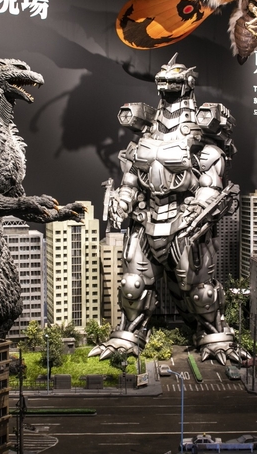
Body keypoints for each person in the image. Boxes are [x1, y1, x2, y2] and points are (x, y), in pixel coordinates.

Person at [90, 55, 247, 365]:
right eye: (163, 81)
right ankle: (128, 337)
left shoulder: (203, 141)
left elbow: (211, 182)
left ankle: (215, 337)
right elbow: (131, 179)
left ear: (187, 84)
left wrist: (200, 205)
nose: (166, 86)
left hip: (184, 225)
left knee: (200, 292)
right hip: (146, 221)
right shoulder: (144, 137)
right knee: (132, 285)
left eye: (174, 81)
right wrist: (122, 200)